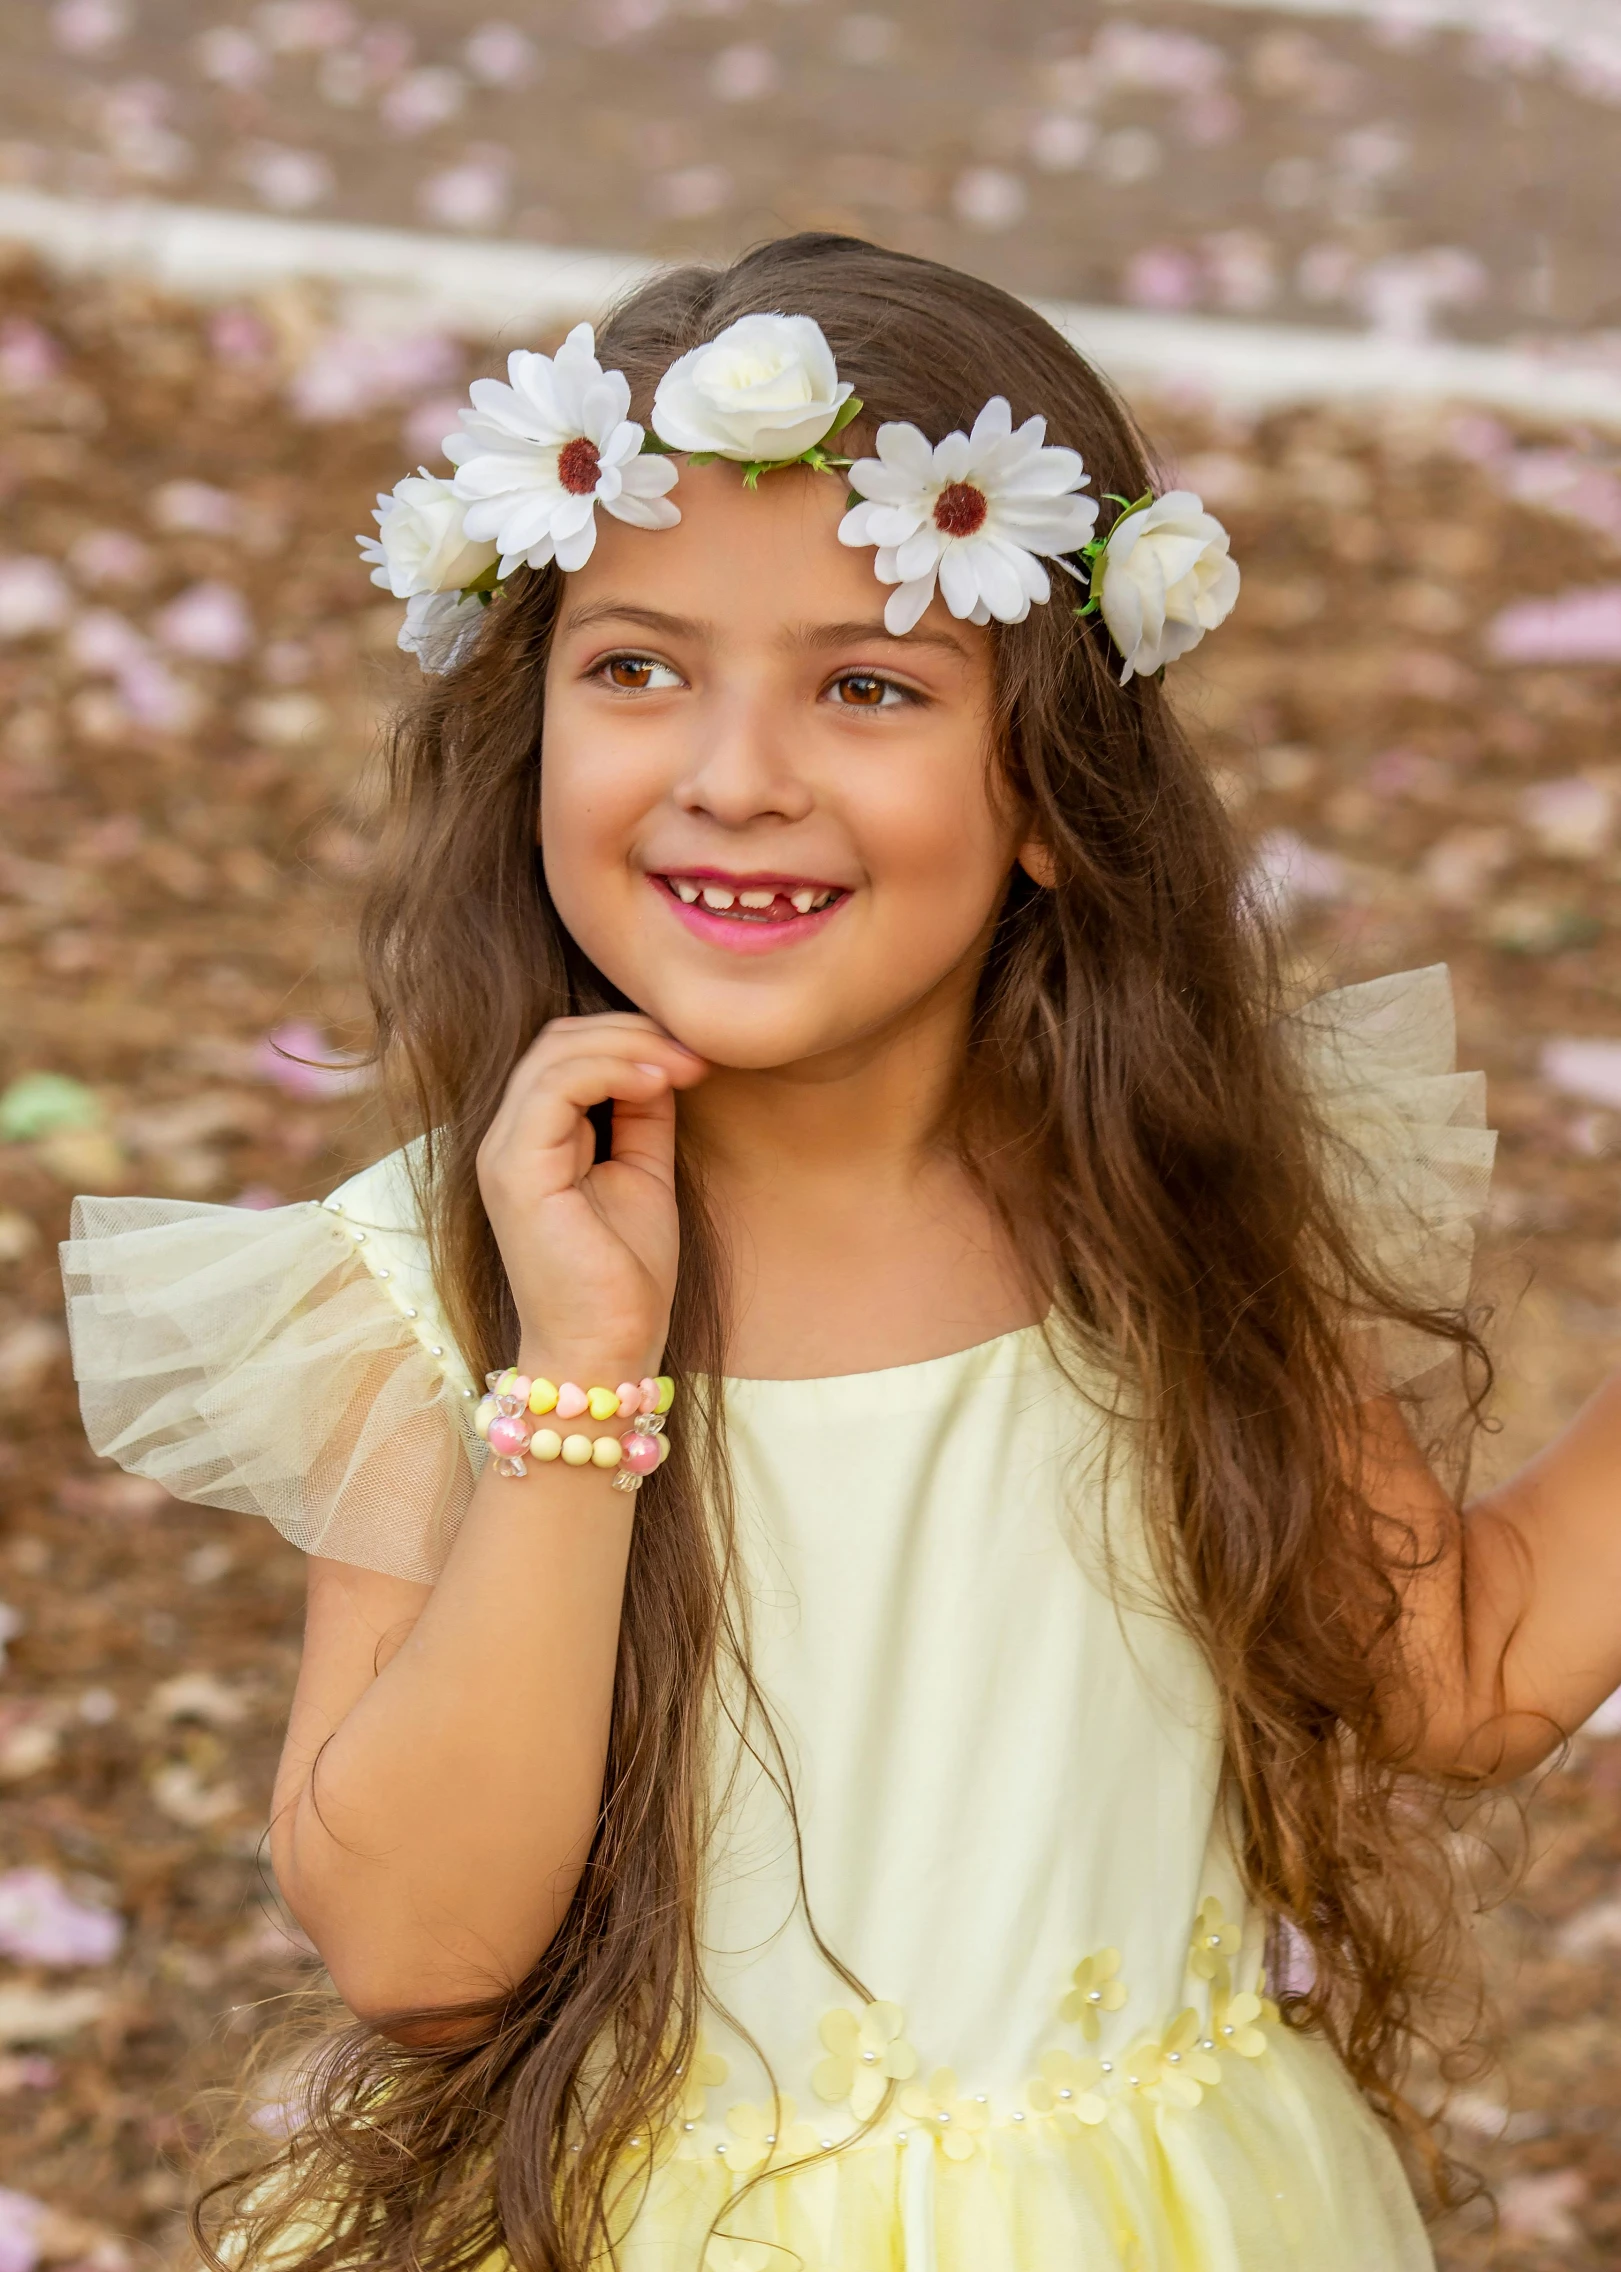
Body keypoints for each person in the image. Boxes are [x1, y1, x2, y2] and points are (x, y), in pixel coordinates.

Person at [61, 235, 1621, 2272]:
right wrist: (583, 1372)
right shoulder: (451, 1280)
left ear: (1052, 792)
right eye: (635, 666)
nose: (736, 773)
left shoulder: (1167, 1209)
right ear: (528, 725)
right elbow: (421, 1951)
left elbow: (1469, 1671)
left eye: (868, 683)